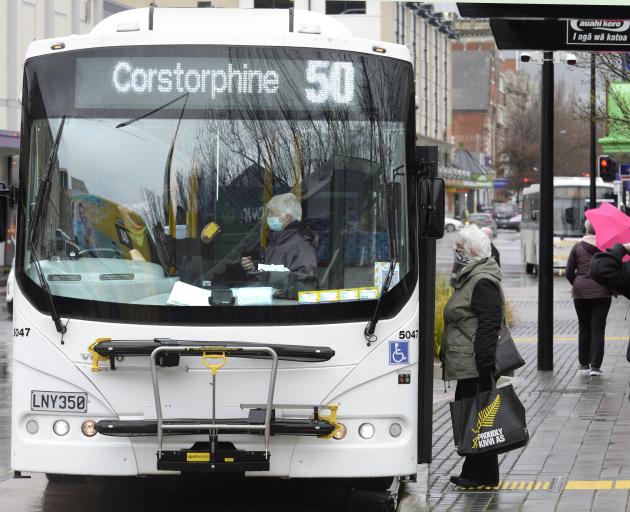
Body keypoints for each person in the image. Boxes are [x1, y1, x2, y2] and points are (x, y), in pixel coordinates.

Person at [442, 225, 503, 488]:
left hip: (475, 362)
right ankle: (478, 472)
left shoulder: (482, 280)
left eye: (459, 249)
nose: (456, 253)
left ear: (471, 252)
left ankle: (482, 474)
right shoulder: (470, 276)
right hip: (468, 361)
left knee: (477, 416)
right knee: (474, 415)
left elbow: (490, 322)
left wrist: (484, 363)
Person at [565, 220, 612, 377]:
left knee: (584, 327)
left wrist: (577, 283)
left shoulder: (577, 248)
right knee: (598, 329)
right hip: (602, 292)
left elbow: (569, 271)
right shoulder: (606, 248)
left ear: (586, 229)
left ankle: (583, 364)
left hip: (580, 293)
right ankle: (595, 367)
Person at [241, 192, 317, 279]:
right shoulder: (276, 239)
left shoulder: (301, 243)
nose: (268, 217)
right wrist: (253, 268)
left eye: (273, 214)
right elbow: (270, 272)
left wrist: (272, 276)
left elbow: (306, 279)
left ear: (287, 217)